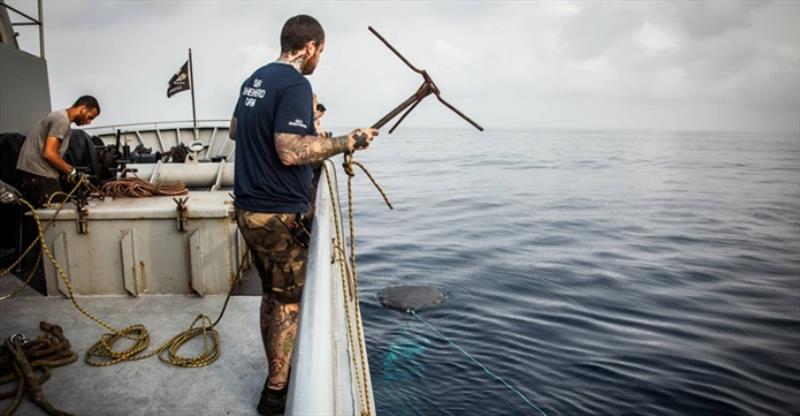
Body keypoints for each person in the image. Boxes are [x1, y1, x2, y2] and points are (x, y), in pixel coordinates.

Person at [228, 15, 378, 415]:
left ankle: (276, 372)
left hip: (247, 208)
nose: (318, 60)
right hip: (277, 215)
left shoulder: (254, 80)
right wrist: (347, 141)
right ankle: (276, 391)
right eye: (321, 52)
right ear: (310, 46)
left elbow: (234, 130)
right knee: (288, 303)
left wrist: (308, 126)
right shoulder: (297, 83)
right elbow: (290, 151)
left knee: (271, 294)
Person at [16, 95, 100, 207]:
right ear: (83, 109)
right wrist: (73, 172)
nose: (89, 122)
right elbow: (49, 154)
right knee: (60, 216)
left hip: (34, 175)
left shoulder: (58, 116)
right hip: (40, 175)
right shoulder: (62, 120)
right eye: (90, 117)